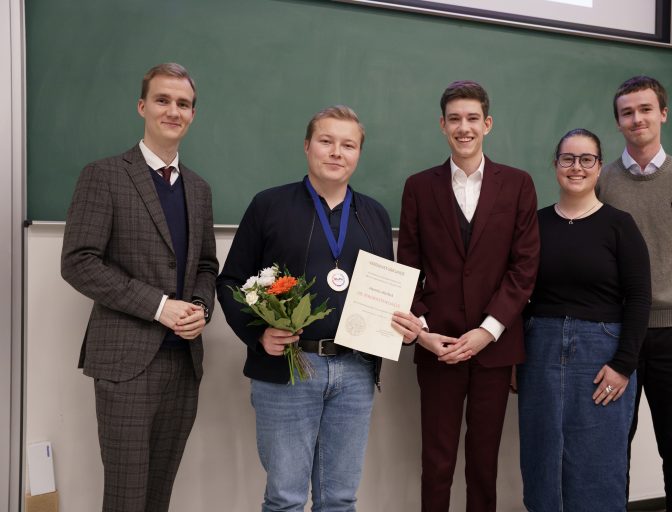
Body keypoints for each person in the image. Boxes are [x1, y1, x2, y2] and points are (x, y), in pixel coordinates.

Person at [216, 105, 419, 512]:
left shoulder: (374, 215)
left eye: (348, 145)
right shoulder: (268, 205)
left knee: (340, 499)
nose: (336, 152)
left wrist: (404, 324)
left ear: (359, 153)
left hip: (355, 373)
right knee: (286, 499)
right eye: (326, 141)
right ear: (308, 146)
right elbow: (230, 281)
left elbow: (387, 293)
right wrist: (258, 335)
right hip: (288, 370)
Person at [61, 62, 218, 512]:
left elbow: (206, 265)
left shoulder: (199, 189)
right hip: (126, 364)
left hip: (183, 362)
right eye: (163, 100)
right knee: (127, 497)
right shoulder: (104, 175)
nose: (174, 110)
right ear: (142, 106)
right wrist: (159, 306)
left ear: (193, 114)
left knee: (159, 494)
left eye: (184, 103)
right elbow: (78, 262)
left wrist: (200, 308)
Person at [395, 80, 540, 512]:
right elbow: (408, 268)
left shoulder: (517, 185)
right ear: (442, 125)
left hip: (495, 350)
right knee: (436, 462)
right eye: (454, 119)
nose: (464, 127)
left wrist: (488, 330)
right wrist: (423, 331)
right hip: (437, 347)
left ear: (487, 124)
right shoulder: (418, 187)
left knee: (483, 463)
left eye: (472, 118)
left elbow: (524, 268)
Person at [596, 76, 672, 511]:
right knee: (612, 447)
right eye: (627, 112)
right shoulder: (601, 181)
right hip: (616, 334)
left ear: (663, 114)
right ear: (618, 122)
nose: (637, 119)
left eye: (645, 109)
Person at [517, 128, 651, 511]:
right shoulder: (534, 225)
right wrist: (514, 356)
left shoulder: (619, 225)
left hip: (602, 354)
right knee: (542, 455)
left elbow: (640, 297)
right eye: (567, 159)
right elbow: (519, 291)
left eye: (586, 159)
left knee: (598, 459)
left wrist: (623, 365)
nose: (576, 167)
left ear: (598, 166)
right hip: (538, 350)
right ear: (555, 165)